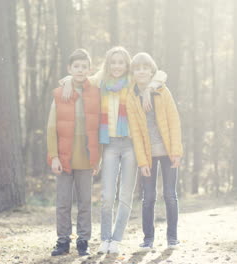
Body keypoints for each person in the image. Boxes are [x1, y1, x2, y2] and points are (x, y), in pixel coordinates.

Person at [61, 46, 166, 254]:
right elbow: (80, 78)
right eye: (113, 62)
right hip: (109, 144)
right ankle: (105, 238)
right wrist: (65, 80)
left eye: (121, 63)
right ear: (108, 64)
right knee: (108, 196)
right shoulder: (101, 82)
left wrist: (149, 88)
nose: (117, 66)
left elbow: (161, 74)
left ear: (127, 65)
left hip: (130, 145)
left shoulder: (133, 82)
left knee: (125, 196)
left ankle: (116, 240)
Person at [126, 52, 183, 250]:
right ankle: (148, 239)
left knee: (170, 194)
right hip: (148, 155)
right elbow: (134, 131)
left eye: (145, 68)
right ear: (133, 72)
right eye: (137, 68)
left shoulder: (162, 91)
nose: (141, 71)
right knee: (148, 197)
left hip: (168, 152)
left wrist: (176, 151)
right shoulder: (131, 97)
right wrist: (142, 162)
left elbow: (174, 122)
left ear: (152, 70)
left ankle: (172, 238)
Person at [47, 48, 101, 256]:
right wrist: (54, 156)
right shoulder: (61, 94)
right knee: (63, 202)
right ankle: (62, 241)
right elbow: (52, 128)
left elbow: (99, 128)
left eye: (84, 66)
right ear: (69, 69)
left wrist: (98, 158)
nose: (80, 70)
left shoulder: (95, 92)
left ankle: (83, 241)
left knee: (85, 202)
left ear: (90, 69)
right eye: (76, 66)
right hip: (64, 156)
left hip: (86, 157)